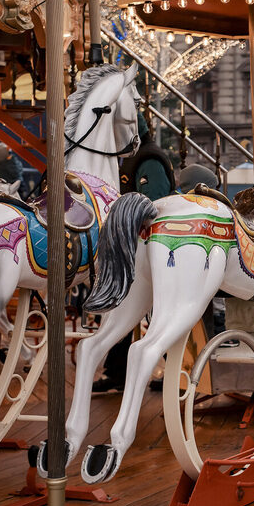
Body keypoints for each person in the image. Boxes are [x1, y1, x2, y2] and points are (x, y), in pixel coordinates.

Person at [94, 111, 177, 393]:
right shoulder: (136, 158)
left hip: (151, 246)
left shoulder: (149, 159)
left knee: (155, 313)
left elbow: (154, 203)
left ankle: (181, 370)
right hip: (137, 245)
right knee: (129, 310)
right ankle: (117, 370)